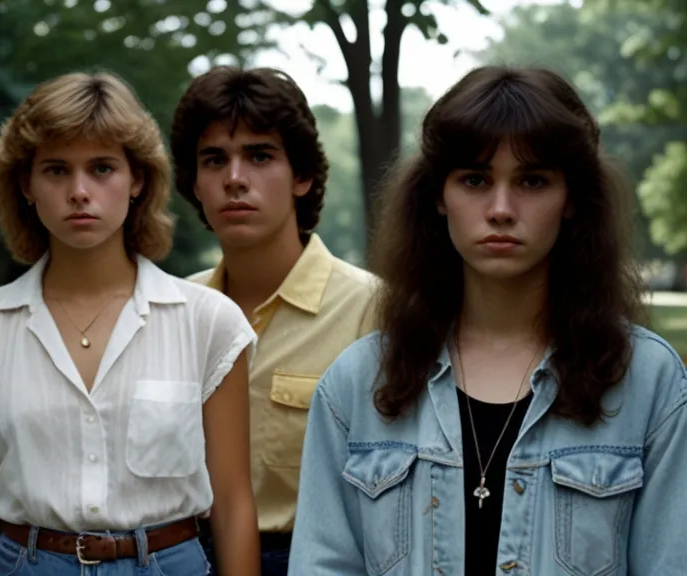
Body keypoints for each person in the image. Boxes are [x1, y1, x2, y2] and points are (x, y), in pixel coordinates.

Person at [288, 65, 687, 575]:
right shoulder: (357, 383)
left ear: (571, 200)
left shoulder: (650, 381)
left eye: (533, 180)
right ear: (438, 195)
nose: (501, 209)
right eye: (475, 179)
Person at [0, 71, 260, 575]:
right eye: (56, 170)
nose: (80, 191)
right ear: (26, 185)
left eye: (102, 168)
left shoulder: (208, 322)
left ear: (137, 179)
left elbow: (232, 504)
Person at [168, 66, 377, 575]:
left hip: (316, 558)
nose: (235, 178)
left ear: (302, 176)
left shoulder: (371, 310)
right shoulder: (173, 309)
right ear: (194, 183)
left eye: (260, 156)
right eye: (214, 160)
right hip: (180, 554)